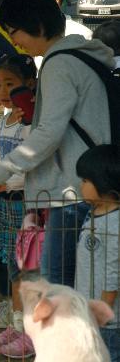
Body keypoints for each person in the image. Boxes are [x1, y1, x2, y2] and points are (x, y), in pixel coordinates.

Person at [0, 0, 113, 289]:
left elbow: (49, 133)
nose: (14, 41)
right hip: (87, 185)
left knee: (59, 289)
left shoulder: (58, 64)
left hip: (71, 192)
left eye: (15, 32)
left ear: (36, 25)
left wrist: (0, 170)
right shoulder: (80, 56)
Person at [0, 55, 36, 359]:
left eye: (10, 84)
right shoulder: (3, 119)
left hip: (24, 205)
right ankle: (17, 325)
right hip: (3, 203)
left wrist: (3, 179)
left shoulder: (31, 123)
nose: (2, 90)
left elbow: (30, 165)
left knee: (28, 270)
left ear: (28, 84)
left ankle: (30, 333)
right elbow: (3, 159)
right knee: (14, 269)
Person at [74, 145, 120, 362]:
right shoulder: (95, 214)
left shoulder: (113, 224)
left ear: (104, 181)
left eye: (84, 181)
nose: (80, 186)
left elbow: (114, 273)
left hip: (107, 323)